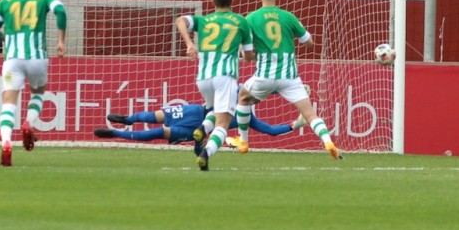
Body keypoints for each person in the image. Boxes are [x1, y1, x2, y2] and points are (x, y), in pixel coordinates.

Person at [237, 0, 341, 160]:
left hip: (264, 76)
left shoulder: (251, 19)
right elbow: (309, 42)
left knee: (243, 98)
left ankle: (243, 142)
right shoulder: (288, 16)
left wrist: (256, 55)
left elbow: (246, 55)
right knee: (310, 115)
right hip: (290, 77)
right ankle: (327, 141)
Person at [0, 0, 67, 167]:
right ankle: (29, 123)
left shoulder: (6, 1)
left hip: (12, 59)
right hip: (37, 58)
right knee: (39, 92)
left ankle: (6, 143)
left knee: (8, 101)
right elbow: (61, 11)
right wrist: (60, 41)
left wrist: (7, 38)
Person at [175, 0, 253, 171]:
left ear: (213, 2)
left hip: (203, 78)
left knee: (214, 110)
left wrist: (190, 44)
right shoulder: (241, 22)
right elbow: (249, 56)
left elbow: (180, 20)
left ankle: (202, 130)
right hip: (224, 77)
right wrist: (245, 54)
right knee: (223, 123)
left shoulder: (204, 20)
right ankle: (206, 153)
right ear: (232, 1)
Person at [94, 103, 306, 144]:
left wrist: (296, 124)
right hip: (196, 116)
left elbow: (271, 131)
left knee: (157, 124)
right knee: (157, 125)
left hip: (194, 117)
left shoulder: (247, 115)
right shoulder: (246, 114)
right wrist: (295, 124)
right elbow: (271, 131)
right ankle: (121, 126)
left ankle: (122, 126)